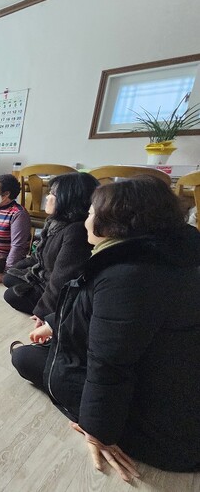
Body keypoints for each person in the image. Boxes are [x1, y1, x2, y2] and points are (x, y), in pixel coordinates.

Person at [11, 176, 200, 480]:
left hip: (163, 432)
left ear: (115, 223)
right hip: (169, 382)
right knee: (40, 351)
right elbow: (103, 315)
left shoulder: (126, 276)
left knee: (25, 358)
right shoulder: (168, 257)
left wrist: (99, 431)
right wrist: (54, 324)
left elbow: (110, 363)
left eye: (91, 213)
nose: (86, 220)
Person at [3, 172, 99, 321]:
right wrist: (10, 268)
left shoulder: (76, 231)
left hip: (60, 288)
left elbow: (62, 278)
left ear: (69, 198)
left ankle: (56, 310)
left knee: (11, 295)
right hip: (44, 276)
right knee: (9, 277)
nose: (47, 197)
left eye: (53, 194)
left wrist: (43, 312)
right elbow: (37, 257)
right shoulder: (54, 222)